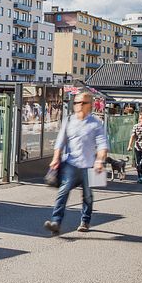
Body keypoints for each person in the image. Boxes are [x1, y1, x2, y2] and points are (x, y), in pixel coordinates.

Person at [44, 92, 108, 234]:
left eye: (83, 103)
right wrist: (55, 158)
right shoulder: (69, 120)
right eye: (77, 102)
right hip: (71, 163)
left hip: (89, 164)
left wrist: (99, 161)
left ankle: (85, 221)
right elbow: (60, 141)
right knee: (63, 190)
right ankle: (56, 222)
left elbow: (103, 145)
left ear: (90, 105)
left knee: (88, 195)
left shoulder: (96, 123)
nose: (79, 105)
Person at [128, 112, 142, 183]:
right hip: (137, 147)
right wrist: (129, 146)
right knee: (138, 163)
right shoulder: (136, 126)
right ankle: (140, 177)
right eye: (141, 118)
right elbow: (133, 136)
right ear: (139, 119)